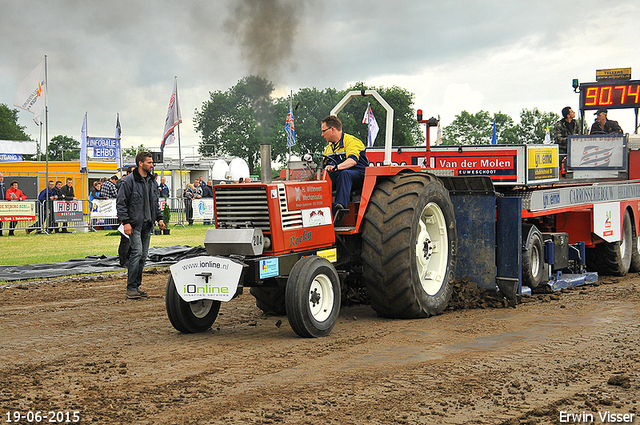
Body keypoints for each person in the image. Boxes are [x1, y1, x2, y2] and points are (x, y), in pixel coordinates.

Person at [116, 151, 165, 299]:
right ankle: (131, 288)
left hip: (147, 224)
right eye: (149, 162)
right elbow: (121, 203)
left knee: (143, 256)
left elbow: (155, 203)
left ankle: (136, 286)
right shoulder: (129, 181)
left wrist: (160, 218)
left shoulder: (152, 181)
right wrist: (126, 222)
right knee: (136, 253)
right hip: (134, 224)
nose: (152, 165)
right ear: (141, 164)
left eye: (152, 162)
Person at [321, 115, 369, 222]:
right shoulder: (329, 148)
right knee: (323, 178)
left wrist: (337, 167)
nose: (322, 134)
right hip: (340, 175)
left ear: (332, 129)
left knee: (345, 174)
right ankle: (319, 208)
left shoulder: (352, 141)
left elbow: (353, 161)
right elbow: (322, 165)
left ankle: (340, 207)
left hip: (359, 174)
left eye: (324, 131)